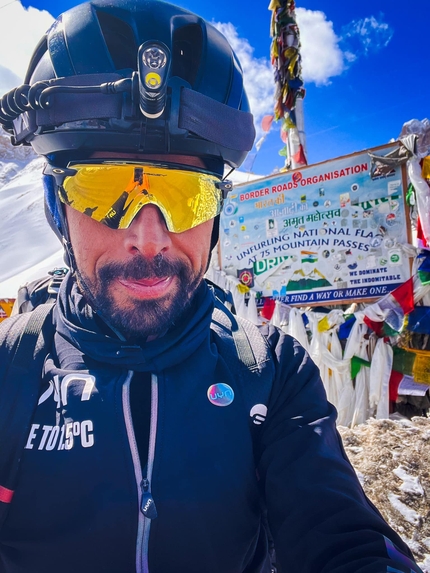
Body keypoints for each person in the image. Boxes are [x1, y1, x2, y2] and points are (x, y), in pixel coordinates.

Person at [0, 1, 424, 572]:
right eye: (103, 193)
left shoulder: (270, 371)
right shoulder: (10, 369)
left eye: (186, 197)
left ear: (217, 213)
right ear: (58, 208)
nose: (148, 240)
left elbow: (341, 536)